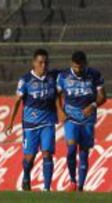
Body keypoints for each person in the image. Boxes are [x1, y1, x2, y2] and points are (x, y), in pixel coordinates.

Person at [6, 49, 59, 191]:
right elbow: (17, 101)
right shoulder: (25, 80)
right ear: (34, 63)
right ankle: (26, 176)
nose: (43, 66)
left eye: (46, 63)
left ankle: (47, 188)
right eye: (40, 63)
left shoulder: (53, 77)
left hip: (48, 122)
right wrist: (10, 122)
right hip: (30, 125)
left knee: (47, 153)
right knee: (29, 157)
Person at [57, 51, 106, 192]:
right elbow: (56, 94)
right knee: (71, 149)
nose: (78, 70)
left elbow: (102, 96)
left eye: (81, 67)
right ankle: (72, 180)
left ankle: (80, 187)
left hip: (87, 119)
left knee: (84, 153)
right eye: (76, 67)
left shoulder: (94, 75)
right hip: (71, 118)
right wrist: (60, 110)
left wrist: (93, 106)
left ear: (85, 64)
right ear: (72, 64)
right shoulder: (64, 76)